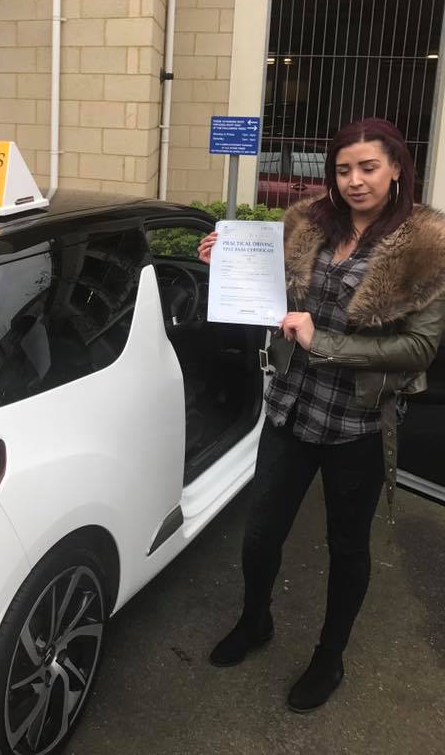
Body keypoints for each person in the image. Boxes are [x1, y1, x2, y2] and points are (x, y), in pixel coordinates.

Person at [197, 118, 445, 713]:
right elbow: (272, 298)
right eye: (343, 169)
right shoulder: (306, 225)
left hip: (357, 422)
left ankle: (329, 657)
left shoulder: (426, 246)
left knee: (347, 546)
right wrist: (225, 264)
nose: (355, 180)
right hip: (289, 407)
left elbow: (419, 348)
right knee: (261, 533)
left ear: (396, 169)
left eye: (368, 167)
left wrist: (323, 342)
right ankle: (256, 620)